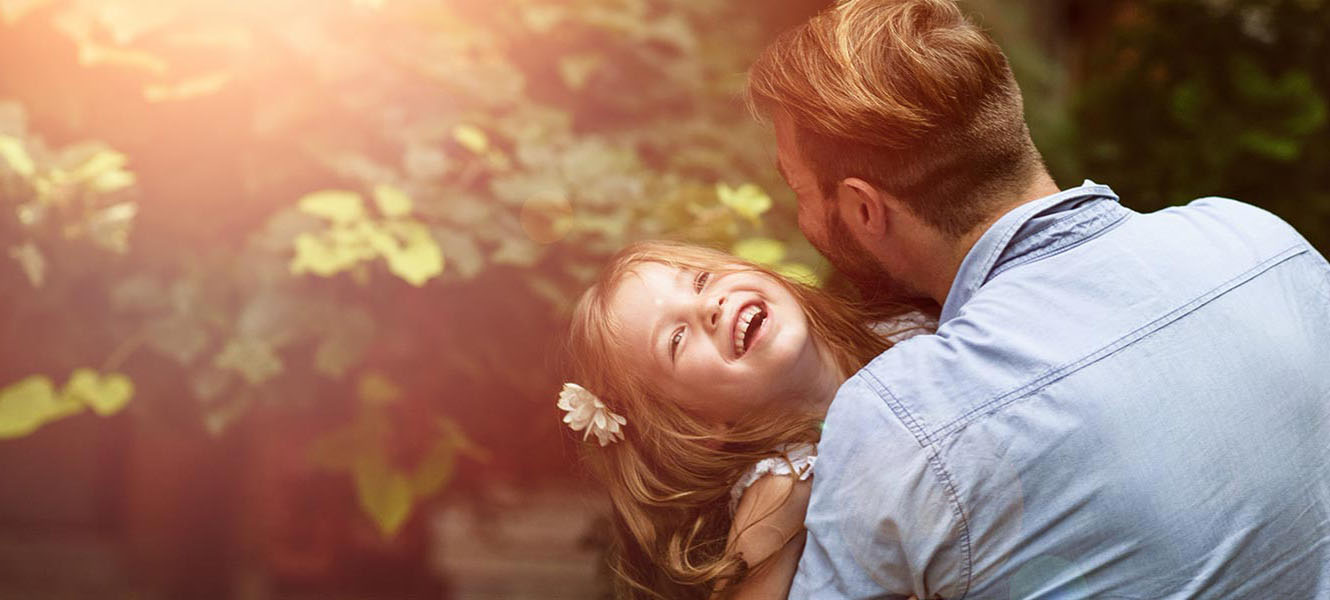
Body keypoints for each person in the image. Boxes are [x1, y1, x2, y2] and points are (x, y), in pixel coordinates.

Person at [744, 0, 1330, 598]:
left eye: (799, 191)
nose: (803, 219)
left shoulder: (904, 417)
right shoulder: (1256, 240)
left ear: (864, 209)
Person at [560, 241, 931, 599]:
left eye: (702, 279)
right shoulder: (784, 483)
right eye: (676, 338)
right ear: (697, 425)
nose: (709, 306)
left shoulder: (922, 324)